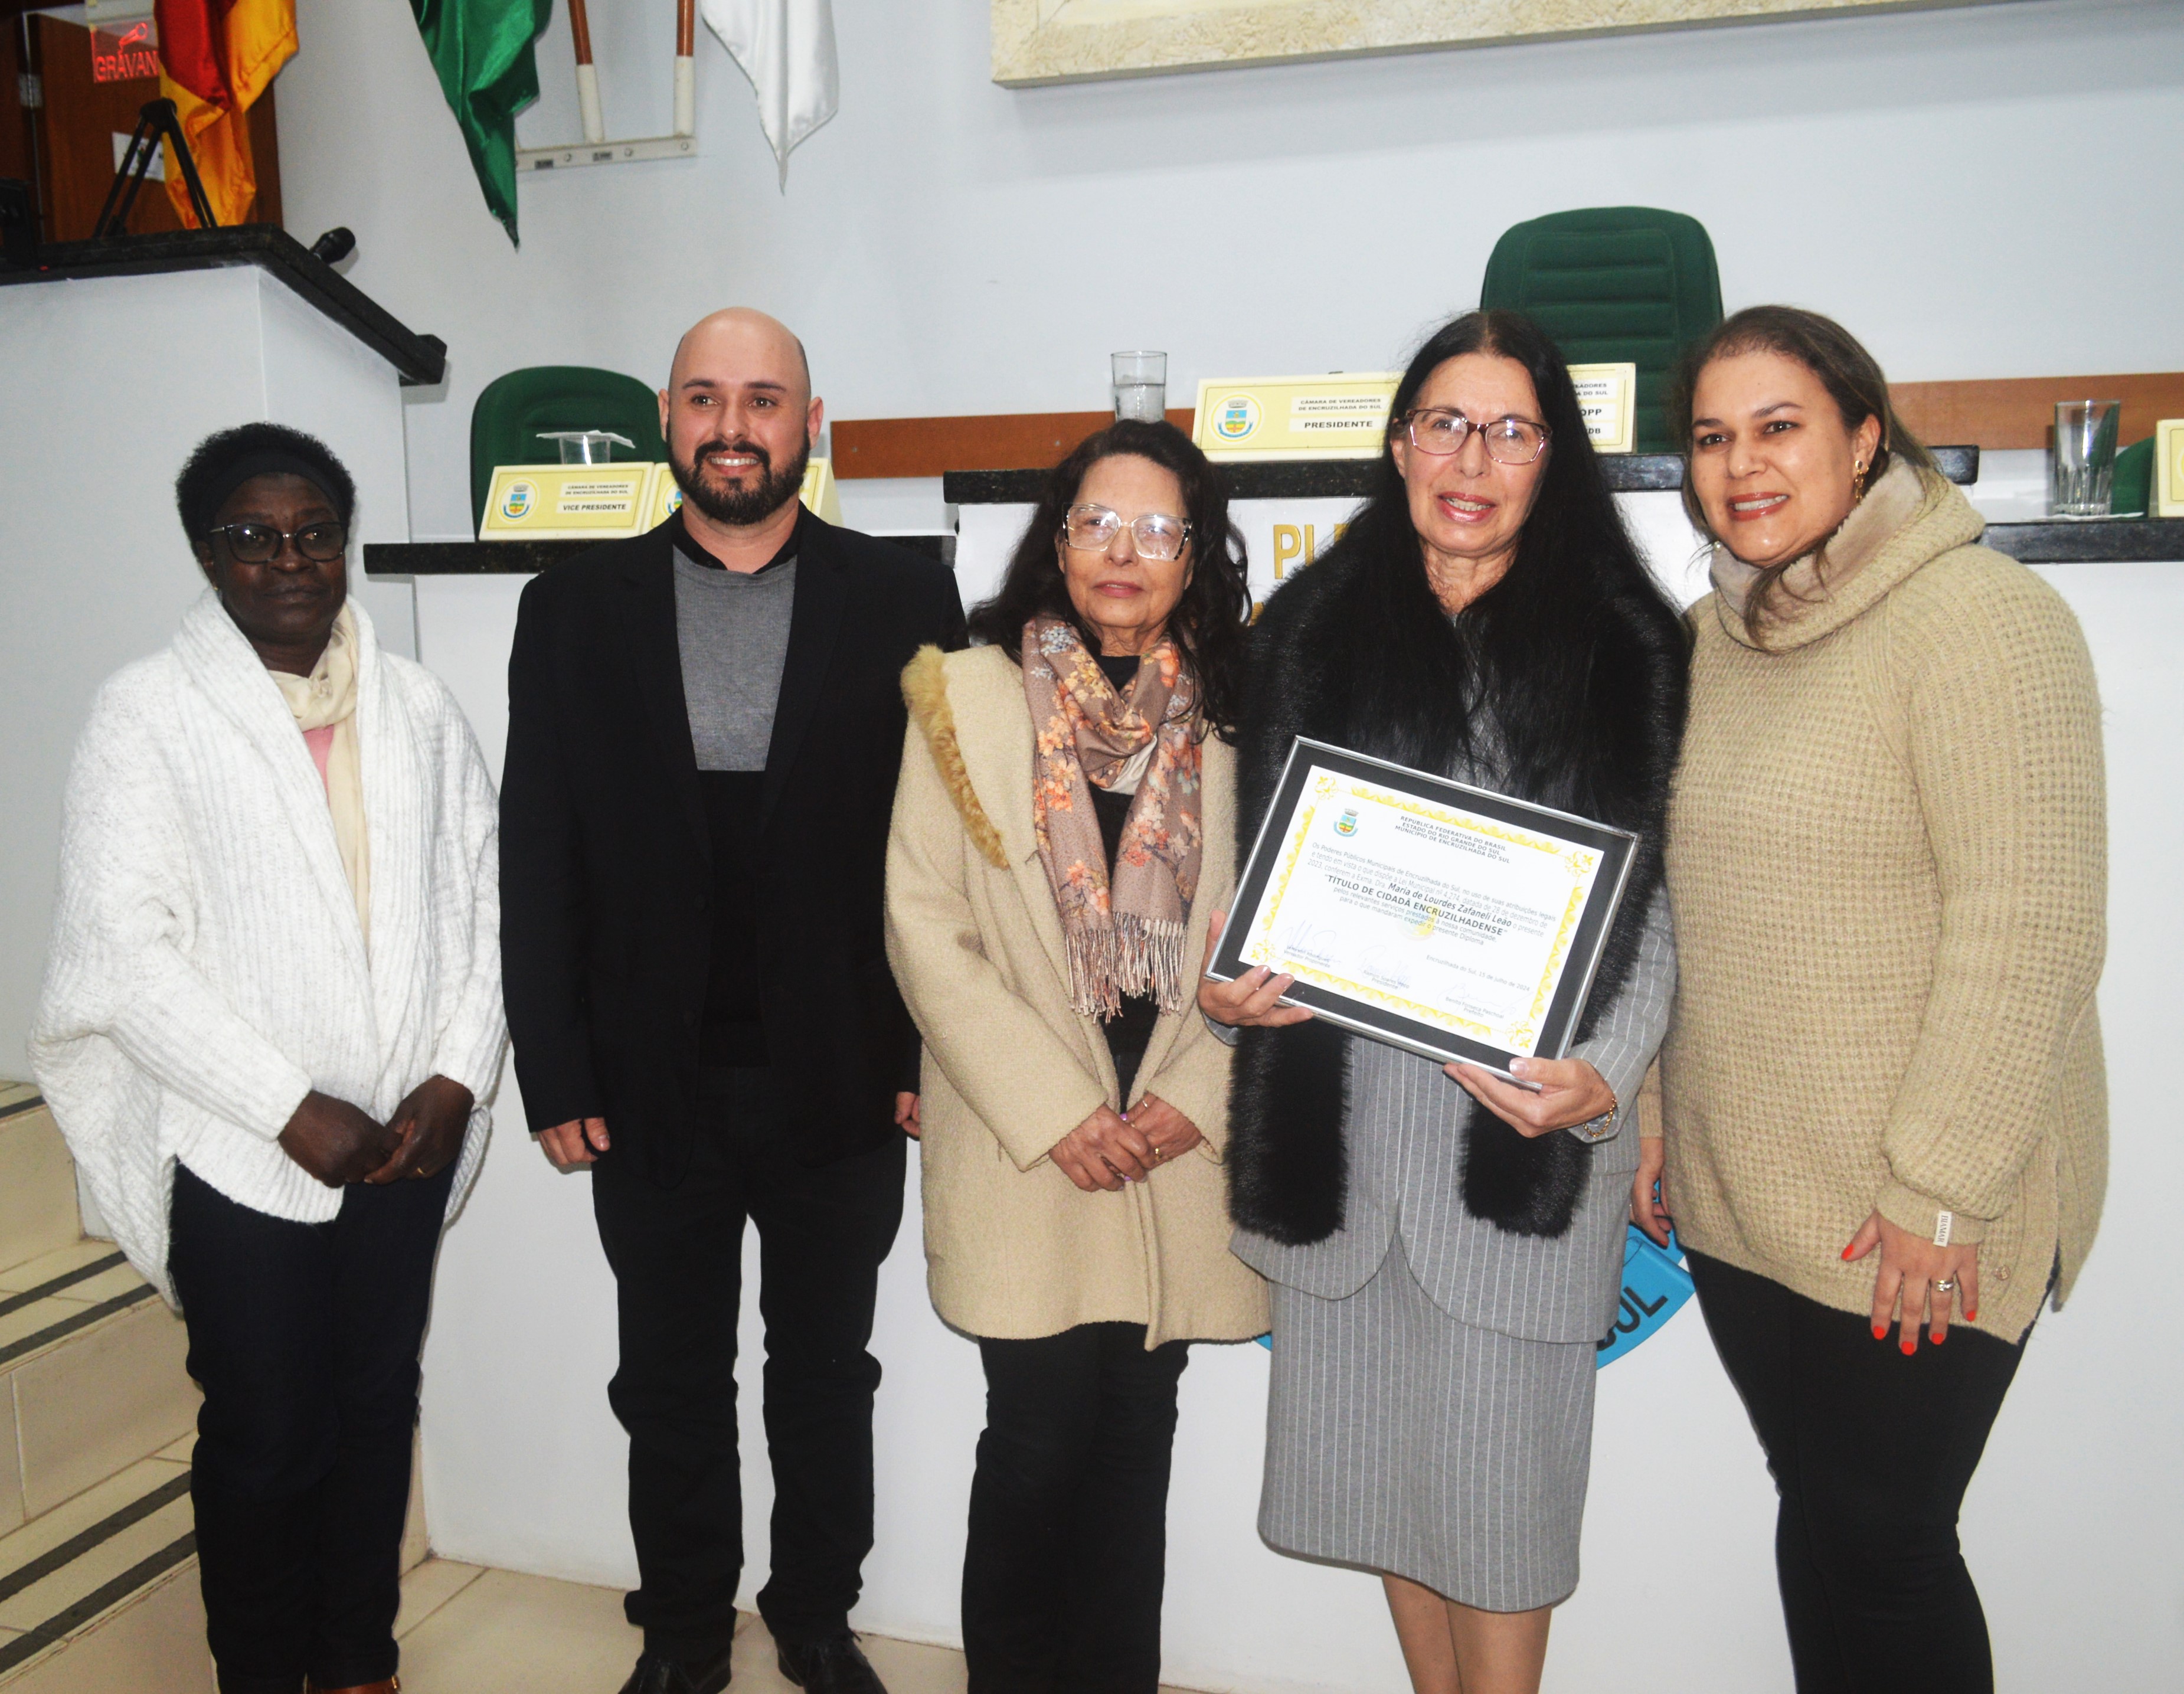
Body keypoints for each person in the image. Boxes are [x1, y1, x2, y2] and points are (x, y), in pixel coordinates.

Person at [1199, 310, 1687, 1694]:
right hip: (1342, 1141)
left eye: (1510, 430)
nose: (1470, 459)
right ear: (1400, 442)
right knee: (1383, 1492)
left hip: (1514, 1141)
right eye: (1444, 424)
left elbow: (1662, 902)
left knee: (1501, 1509)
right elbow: (1250, 867)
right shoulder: (1307, 626)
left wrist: (1604, 1070)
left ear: (1553, 458)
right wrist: (1229, 983)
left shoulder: (1622, 646)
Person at [500, 309, 966, 1694]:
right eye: (704, 398)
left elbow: (944, 850)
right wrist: (554, 1067)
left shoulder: (904, 597)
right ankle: (685, 1631)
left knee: (825, 1374)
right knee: (667, 1380)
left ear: (809, 426)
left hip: (843, 1074)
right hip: (644, 1084)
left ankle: (815, 1616)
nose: (732, 427)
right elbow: (538, 852)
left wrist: (926, 1050)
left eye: (763, 400)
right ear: (666, 419)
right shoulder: (572, 608)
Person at [1643, 305, 2107, 1693]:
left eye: (1776, 427)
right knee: (1826, 1519)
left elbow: (2031, 930)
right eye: (1711, 438)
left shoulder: (1983, 621)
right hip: (1743, 1187)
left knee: (1886, 1541)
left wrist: (1940, 1188)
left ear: (1860, 437)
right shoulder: (1704, 640)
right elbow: (1671, 907)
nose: (1740, 465)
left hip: (1918, 1208)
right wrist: (1655, 1109)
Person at [30, 423, 506, 1694]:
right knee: (268, 1436)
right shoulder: (146, 713)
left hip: (402, 1145)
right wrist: (287, 1105)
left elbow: (484, 908)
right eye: (254, 536)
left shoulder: (418, 709)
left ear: (344, 546)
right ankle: (257, 1674)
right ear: (207, 553)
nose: (289, 560)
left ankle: (356, 1663)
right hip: (239, 1152)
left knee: (375, 1408)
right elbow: (120, 952)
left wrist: (456, 1077)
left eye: (314, 534)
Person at [884, 420, 1267, 1694]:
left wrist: (1194, 1097)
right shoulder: (964, 697)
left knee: (1136, 1445)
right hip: (1028, 1150)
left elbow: (1279, 933)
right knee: (1037, 1441)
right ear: (1056, 543)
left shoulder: (1241, 713)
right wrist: (1057, 1110)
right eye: (1097, 522)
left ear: (1196, 557)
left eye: (1158, 530)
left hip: (1169, 1150)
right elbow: (923, 924)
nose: (1123, 552)